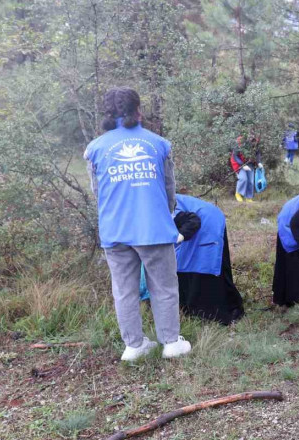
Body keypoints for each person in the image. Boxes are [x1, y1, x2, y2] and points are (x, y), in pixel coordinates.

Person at [84, 87, 191, 361]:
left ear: (107, 114)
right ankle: (170, 343)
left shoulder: (94, 149)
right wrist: (163, 214)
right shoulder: (159, 144)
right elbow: (169, 190)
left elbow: (98, 192)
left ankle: (133, 346)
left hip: (115, 231)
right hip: (153, 228)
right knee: (164, 288)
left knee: (124, 291)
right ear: (138, 109)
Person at [140, 194, 245, 324]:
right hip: (192, 222)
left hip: (207, 222)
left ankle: (217, 313)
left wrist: (177, 239)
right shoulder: (146, 210)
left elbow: (192, 220)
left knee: (204, 264)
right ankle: (193, 310)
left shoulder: (159, 208)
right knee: (184, 263)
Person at [230, 133, 262, 203]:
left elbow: (258, 153)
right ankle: (238, 193)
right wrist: (243, 165)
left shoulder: (256, 142)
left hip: (250, 163)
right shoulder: (240, 141)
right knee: (243, 179)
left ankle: (248, 197)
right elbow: (235, 156)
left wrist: (259, 162)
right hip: (239, 163)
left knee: (250, 181)